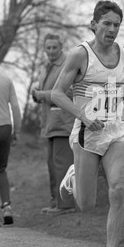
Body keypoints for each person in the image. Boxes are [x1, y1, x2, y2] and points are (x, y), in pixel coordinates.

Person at [51, 0, 124, 247]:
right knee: (86, 204)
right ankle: (74, 174)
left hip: (116, 131)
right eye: (106, 23)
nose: (112, 29)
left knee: (118, 188)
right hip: (87, 134)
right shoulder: (80, 55)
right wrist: (83, 116)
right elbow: (58, 93)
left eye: (117, 24)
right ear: (94, 25)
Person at [32, 33, 76, 214]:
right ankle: (55, 202)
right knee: (52, 165)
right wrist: (37, 95)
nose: (51, 51)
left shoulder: (67, 65)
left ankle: (65, 205)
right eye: (48, 48)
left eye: (54, 47)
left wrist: (41, 95)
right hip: (50, 124)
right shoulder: (46, 67)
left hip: (63, 124)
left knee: (63, 165)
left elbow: (71, 93)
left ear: (61, 47)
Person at [0, 52, 22, 227]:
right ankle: (7, 207)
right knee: (1, 169)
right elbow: (15, 107)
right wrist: (16, 131)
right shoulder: (6, 80)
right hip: (5, 127)